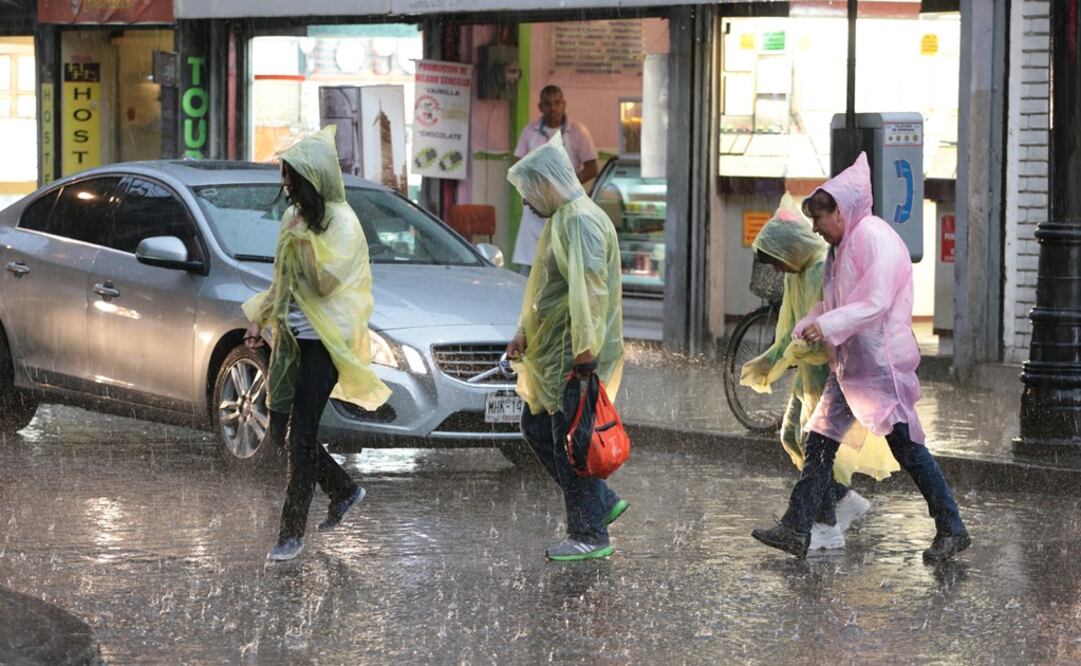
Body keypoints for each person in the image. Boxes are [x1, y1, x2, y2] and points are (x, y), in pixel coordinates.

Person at [751, 153, 971, 562]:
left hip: (880, 367)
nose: (815, 228)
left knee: (908, 450)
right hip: (850, 367)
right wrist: (812, 322)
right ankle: (796, 526)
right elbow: (830, 302)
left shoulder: (874, 238)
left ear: (841, 210)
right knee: (818, 443)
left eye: (819, 218)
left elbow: (873, 302)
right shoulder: (841, 247)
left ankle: (952, 527)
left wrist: (827, 323)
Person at [243, 125, 392, 562]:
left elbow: (324, 284)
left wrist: (304, 241)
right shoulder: (295, 220)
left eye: (292, 177)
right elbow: (284, 279)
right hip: (291, 340)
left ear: (313, 180)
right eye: (284, 176)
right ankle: (344, 489)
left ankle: (290, 533)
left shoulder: (342, 223)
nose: (286, 185)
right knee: (281, 432)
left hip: (325, 345)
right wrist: (261, 318)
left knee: (302, 435)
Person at [740, 194, 899, 552]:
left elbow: (825, 327)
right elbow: (793, 326)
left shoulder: (816, 271)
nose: (777, 271)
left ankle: (824, 522)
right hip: (811, 375)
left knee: (815, 446)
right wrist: (776, 357)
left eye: (778, 262)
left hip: (828, 374)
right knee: (797, 439)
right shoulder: (799, 273)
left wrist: (790, 354)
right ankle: (837, 505)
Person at [505, 131, 625, 562]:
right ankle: (601, 501)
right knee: (538, 428)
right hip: (553, 349)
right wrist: (524, 332)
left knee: (572, 444)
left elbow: (589, 291)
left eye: (528, 191)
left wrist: (584, 351)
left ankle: (590, 533)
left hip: (573, 354)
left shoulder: (580, 221)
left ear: (547, 183)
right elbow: (544, 287)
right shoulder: (561, 220)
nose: (525, 203)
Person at [511, 85, 599, 274]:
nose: (553, 108)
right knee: (528, 269)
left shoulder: (577, 131)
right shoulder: (530, 131)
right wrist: (529, 189)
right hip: (534, 207)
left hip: (566, 207)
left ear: (564, 104)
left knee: (564, 266)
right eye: (548, 104)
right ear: (540, 106)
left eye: (557, 103)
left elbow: (592, 167)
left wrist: (567, 185)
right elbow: (517, 165)